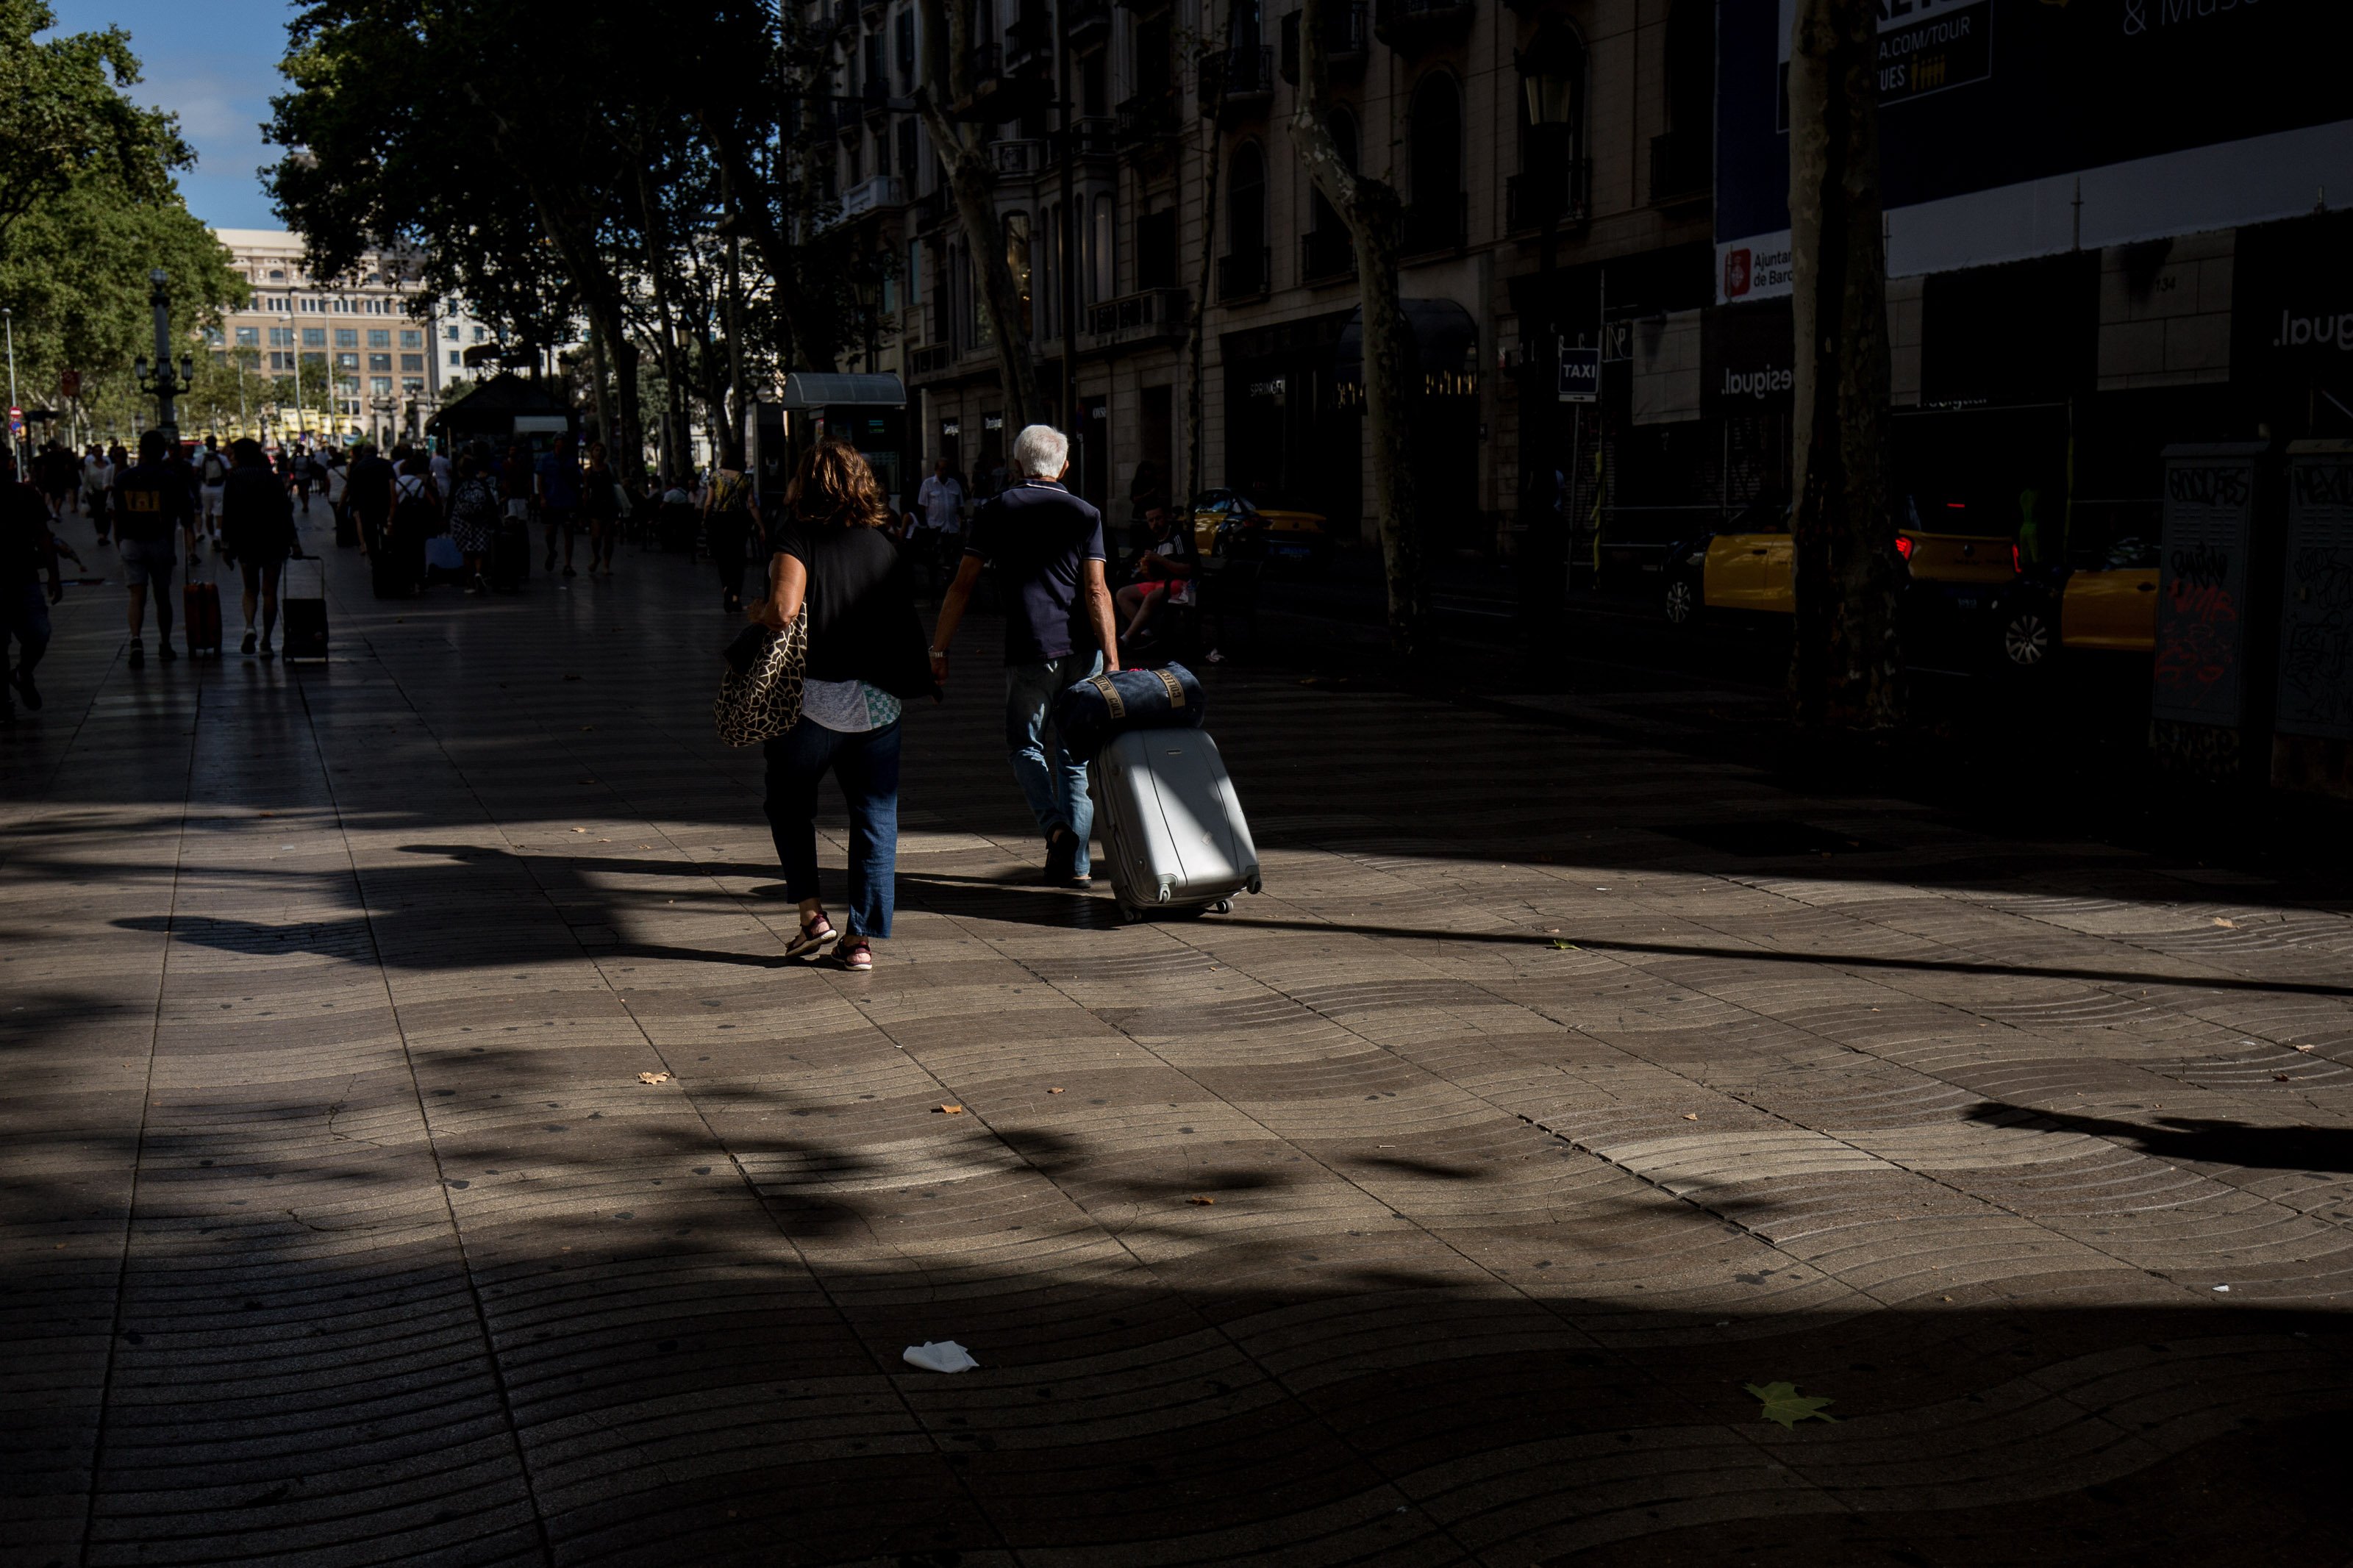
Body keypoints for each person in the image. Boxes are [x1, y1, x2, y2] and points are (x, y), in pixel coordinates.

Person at [751, 440, 935, 972]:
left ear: (802, 484)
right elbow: (903, 620)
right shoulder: (883, 544)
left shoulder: (796, 536)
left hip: (809, 701)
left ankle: (813, 916)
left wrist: (757, 610)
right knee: (875, 816)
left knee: (788, 802)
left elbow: (784, 611)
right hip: (876, 705)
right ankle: (859, 940)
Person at [928, 423, 1121, 887]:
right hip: (1083, 650)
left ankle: (1054, 828)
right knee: (1074, 758)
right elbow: (1097, 591)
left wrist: (938, 648)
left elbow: (963, 585)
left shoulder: (997, 509)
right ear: (1065, 466)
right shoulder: (1086, 513)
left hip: (1031, 648)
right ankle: (1075, 868)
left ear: (1017, 465)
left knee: (1023, 745)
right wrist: (1113, 660)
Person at [114, 430, 192, 667]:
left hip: (131, 541)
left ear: (141, 450)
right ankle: (165, 644)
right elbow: (186, 514)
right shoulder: (170, 478)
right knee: (162, 595)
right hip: (160, 541)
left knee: (136, 594)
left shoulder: (124, 478)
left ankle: (136, 639)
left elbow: (116, 513)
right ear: (162, 451)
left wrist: (119, 542)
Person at [1, 448, 63, 725]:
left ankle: (23, 673)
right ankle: (4, 703)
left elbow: (43, 535)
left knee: (39, 634)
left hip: (23, 578)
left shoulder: (25, 494)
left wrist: (54, 575)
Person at [220, 439, 298, 658]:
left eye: (233, 455)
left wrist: (226, 546)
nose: (231, 458)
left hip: (247, 540)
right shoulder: (272, 478)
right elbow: (285, 511)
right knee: (270, 592)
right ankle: (266, 642)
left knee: (250, 589)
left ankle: (250, 626)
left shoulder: (235, 478)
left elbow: (229, 513)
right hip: (274, 539)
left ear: (241, 456)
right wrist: (294, 542)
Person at [1115, 496, 1196, 648]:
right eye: (1151, 521)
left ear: (1167, 517)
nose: (1155, 524)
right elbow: (1151, 576)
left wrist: (1160, 560)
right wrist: (1144, 568)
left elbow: (1187, 569)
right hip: (1159, 583)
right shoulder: (1151, 540)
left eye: (1158, 519)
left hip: (1182, 585)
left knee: (1154, 595)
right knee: (1122, 594)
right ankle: (1146, 633)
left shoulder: (1177, 537)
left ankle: (1126, 638)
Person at [701, 444, 760, 612]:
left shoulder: (715, 477)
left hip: (720, 521)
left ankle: (726, 588)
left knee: (722, 558)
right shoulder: (745, 479)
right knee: (738, 558)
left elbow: (708, 502)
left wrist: (705, 518)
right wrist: (761, 526)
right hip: (738, 521)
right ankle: (735, 597)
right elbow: (751, 504)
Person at [446, 451, 500, 593]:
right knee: (479, 549)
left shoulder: (457, 484)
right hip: (480, 519)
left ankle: (470, 583)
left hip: (461, 521)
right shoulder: (480, 483)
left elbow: (451, 503)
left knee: (467, 551)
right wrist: (495, 519)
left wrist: (446, 521)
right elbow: (490, 502)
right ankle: (478, 573)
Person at [912, 456, 965, 598]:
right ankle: (936, 589)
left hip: (952, 528)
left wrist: (962, 526)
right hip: (936, 528)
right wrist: (928, 525)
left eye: (946, 470)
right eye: (941, 469)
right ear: (936, 470)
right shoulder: (928, 484)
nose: (944, 472)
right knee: (936, 560)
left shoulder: (954, 484)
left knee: (952, 560)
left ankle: (950, 586)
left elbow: (960, 507)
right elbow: (922, 507)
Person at [535, 432, 582, 576]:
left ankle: (568, 564)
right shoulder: (546, 459)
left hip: (568, 500)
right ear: (556, 443)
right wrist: (542, 498)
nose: (563, 444)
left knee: (568, 532)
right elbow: (540, 480)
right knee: (550, 532)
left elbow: (576, 480)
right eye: (561, 441)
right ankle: (552, 551)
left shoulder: (571, 460)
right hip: (551, 500)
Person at [346, 442, 396, 561]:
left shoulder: (358, 467)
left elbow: (353, 488)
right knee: (384, 524)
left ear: (363, 453)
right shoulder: (386, 464)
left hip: (365, 504)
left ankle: (373, 554)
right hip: (383, 501)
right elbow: (392, 484)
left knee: (369, 529)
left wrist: (354, 505)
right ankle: (386, 549)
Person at [579, 440, 621, 576]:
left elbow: (617, 485)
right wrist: (583, 507)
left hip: (609, 504)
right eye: (596, 450)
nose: (599, 453)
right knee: (596, 536)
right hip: (595, 505)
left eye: (601, 450)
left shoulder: (610, 469)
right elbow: (586, 490)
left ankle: (606, 564)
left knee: (608, 537)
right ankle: (596, 556)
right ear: (592, 453)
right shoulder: (588, 472)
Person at [196, 436, 231, 547]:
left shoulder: (201, 458)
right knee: (219, 514)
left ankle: (211, 538)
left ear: (206, 445)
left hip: (205, 490)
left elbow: (195, 471)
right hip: (220, 489)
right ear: (215, 444)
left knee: (208, 515)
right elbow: (229, 471)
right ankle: (217, 535)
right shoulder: (222, 458)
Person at [80, 445, 110, 537]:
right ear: (93, 453)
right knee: (98, 514)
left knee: (107, 514)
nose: (98, 453)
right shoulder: (89, 467)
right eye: (96, 451)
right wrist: (84, 494)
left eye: (100, 451)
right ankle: (100, 534)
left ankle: (105, 533)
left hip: (106, 493)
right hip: (94, 493)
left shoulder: (108, 465)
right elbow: (86, 481)